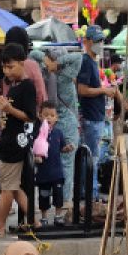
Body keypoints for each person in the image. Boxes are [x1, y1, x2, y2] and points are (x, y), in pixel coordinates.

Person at [0, 43, 37, 236]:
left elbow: (30, 115)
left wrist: (9, 109)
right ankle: (32, 220)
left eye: (11, 66)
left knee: (7, 187)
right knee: (14, 187)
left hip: (15, 143)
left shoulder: (27, 86)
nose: (7, 71)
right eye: (4, 67)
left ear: (22, 63)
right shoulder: (15, 86)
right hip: (10, 140)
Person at [34, 45, 83, 194]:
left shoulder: (45, 73)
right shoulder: (66, 75)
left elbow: (33, 53)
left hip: (47, 123)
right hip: (66, 122)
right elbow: (78, 57)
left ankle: (47, 199)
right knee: (67, 163)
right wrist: (58, 62)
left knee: (46, 161)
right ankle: (64, 200)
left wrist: (48, 61)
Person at [77, 26, 116, 200]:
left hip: (97, 117)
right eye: (97, 41)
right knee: (90, 158)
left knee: (93, 157)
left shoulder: (94, 62)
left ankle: (90, 193)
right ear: (88, 42)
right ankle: (89, 195)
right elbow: (82, 90)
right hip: (91, 118)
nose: (101, 44)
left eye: (102, 40)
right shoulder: (86, 61)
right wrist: (103, 91)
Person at [36, 101, 68, 227]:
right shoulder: (38, 133)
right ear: (40, 116)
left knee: (58, 195)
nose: (49, 117)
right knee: (43, 196)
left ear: (56, 118)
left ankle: (58, 216)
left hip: (57, 172)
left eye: (52, 115)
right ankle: (44, 217)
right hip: (43, 173)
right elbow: (34, 148)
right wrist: (36, 157)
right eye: (45, 115)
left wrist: (67, 148)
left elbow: (62, 148)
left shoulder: (58, 133)